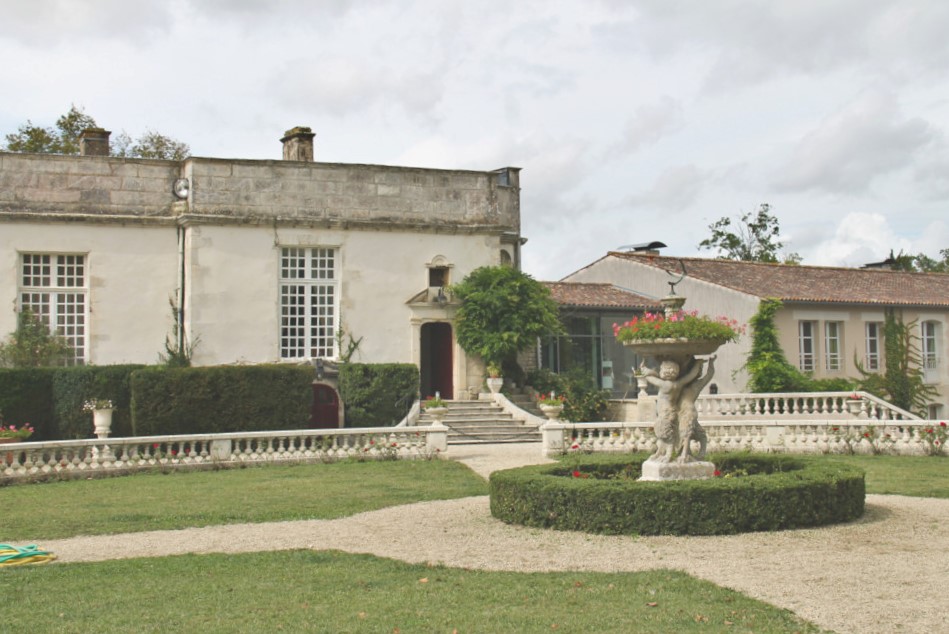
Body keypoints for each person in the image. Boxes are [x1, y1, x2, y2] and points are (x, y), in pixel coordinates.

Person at [640, 358, 701, 463]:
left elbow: (648, 377)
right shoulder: (678, 383)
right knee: (667, 433)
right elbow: (691, 375)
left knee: (664, 433)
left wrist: (644, 369)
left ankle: (668, 454)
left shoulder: (664, 384)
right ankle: (661, 451)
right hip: (671, 411)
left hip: (665, 413)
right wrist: (698, 364)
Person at [677, 355, 716, 463]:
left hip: (689, 411)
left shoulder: (697, 384)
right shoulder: (683, 382)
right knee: (697, 434)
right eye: (699, 369)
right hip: (680, 411)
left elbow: (709, 375)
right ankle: (687, 453)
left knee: (687, 432)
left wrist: (711, 363)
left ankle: (686, 455)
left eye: (700, 370)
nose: (699, 372)